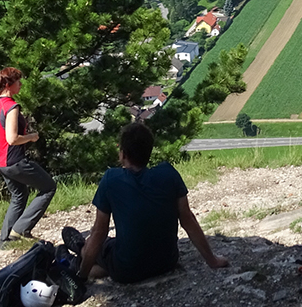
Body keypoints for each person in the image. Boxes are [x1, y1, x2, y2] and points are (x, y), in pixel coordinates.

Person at [75, 121, 229, 284]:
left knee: (95, 245)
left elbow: (100, 232)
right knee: (112, 255)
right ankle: (89, 262)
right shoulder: (169, 174)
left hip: (126, 271)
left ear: (123, 153)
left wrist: (81, 278)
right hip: (166, 262)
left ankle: (79, 256)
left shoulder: (111, 179)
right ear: (149, 150)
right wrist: (212, 260)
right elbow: (188, 220)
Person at [0, 66, 56, 249]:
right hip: (14, 161)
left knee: (19, 195)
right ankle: (21, 230)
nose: (20, 85)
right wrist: (32, 136)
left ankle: (5, 240)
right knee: (48, 187)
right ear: (8, 85)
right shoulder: (12, 107)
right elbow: (12, 139)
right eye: (18, 82)